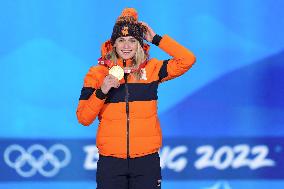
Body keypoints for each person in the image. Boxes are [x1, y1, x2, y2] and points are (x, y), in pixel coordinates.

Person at [76, 7, 196, 189]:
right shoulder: (97, 73)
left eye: (132, 40)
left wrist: (157, 39)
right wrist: (102, 91)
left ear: (140, 44)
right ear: (113, 43)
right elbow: (83, 118)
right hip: (110, 162)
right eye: (121, 40)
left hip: (146, 162)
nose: (126, 46)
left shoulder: (152, 69)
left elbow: (188, 59)